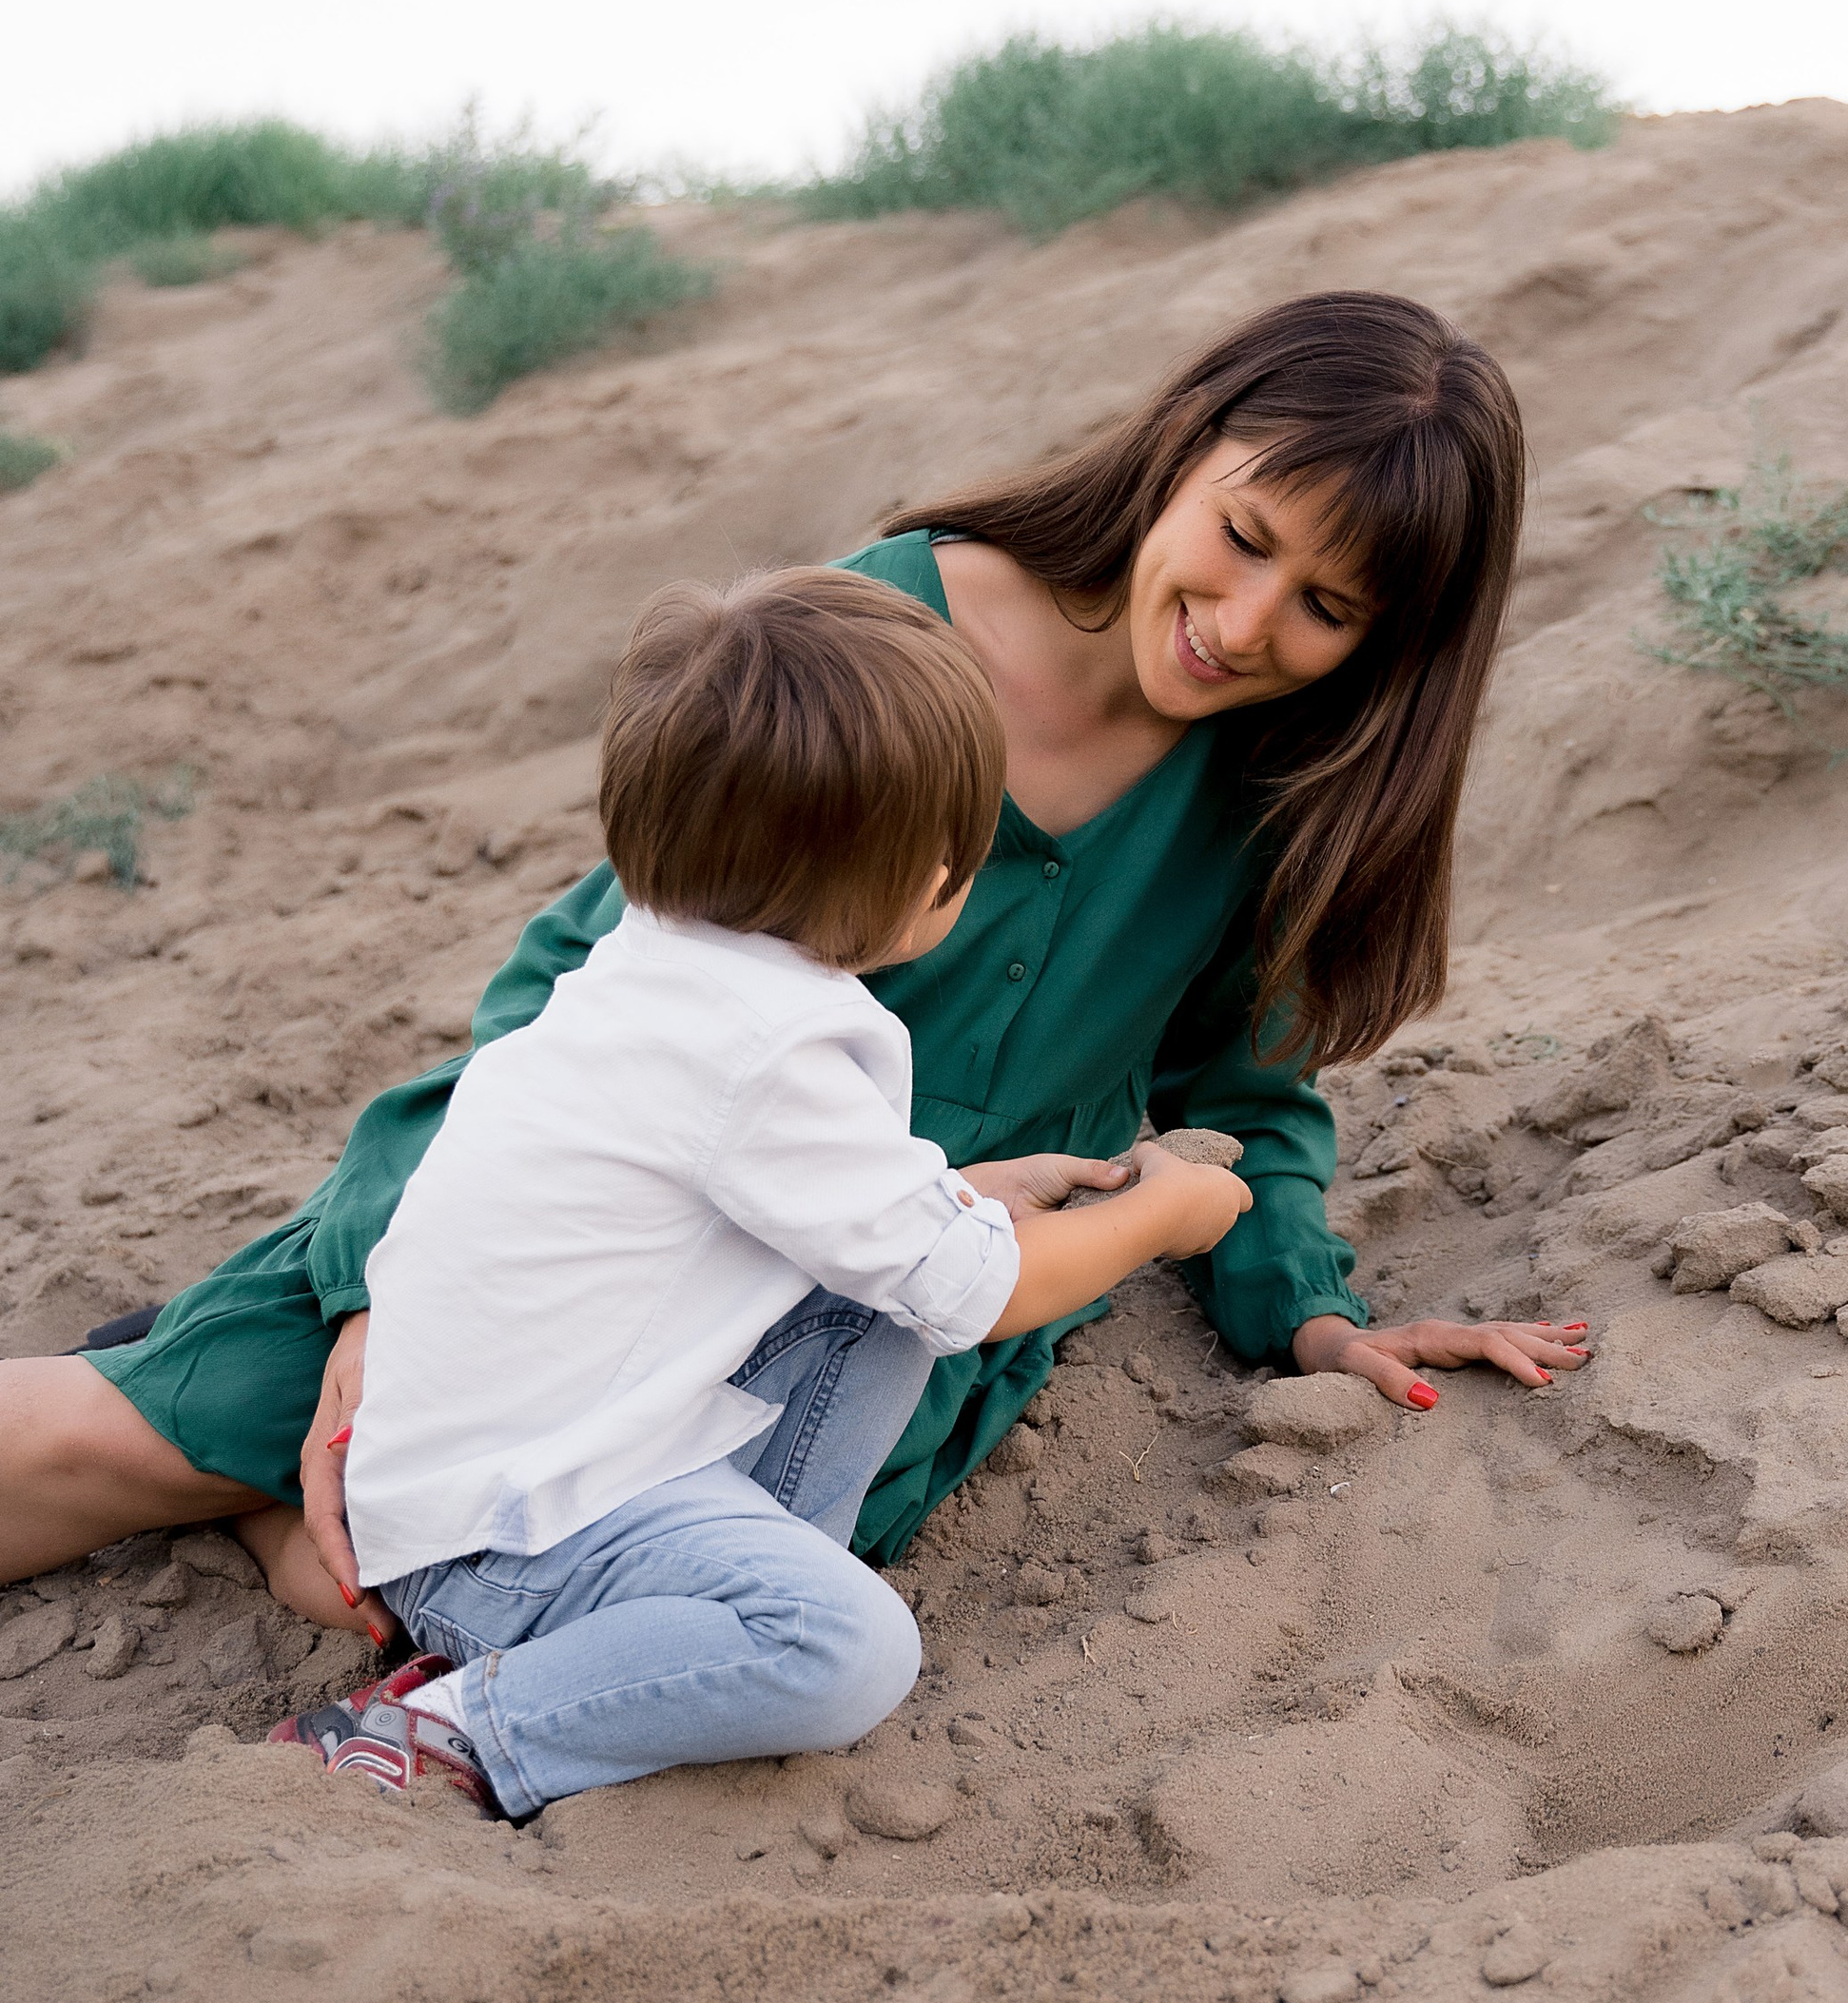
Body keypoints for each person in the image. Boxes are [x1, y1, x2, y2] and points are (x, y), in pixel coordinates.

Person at [0, 289, 1590, 1626]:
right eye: (1241, 539)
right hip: (608, 1230)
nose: (1243, 625)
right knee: (139, 1443)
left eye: (1323, 609)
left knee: (624, 1611)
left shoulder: (1288, 798)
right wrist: (375, 1290)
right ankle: (223, 1427)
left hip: (868, 1330)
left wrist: (1308, 1307)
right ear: (1184, 446)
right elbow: (573, 985)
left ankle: (266, 1511)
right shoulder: (887, 633)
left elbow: (1252, 1091)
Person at [282, 564, 1248, 1814]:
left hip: (523, 1464)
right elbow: (981, 1294)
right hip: (507, 1541)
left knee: (895, 1278)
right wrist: (1162, 1214)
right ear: (926, 883)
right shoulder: (771, 1049)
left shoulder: (665, 964)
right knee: (849, 1650)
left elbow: (846, 1216)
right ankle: (447, 1726)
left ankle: (690, 1606)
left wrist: (962, 1196)